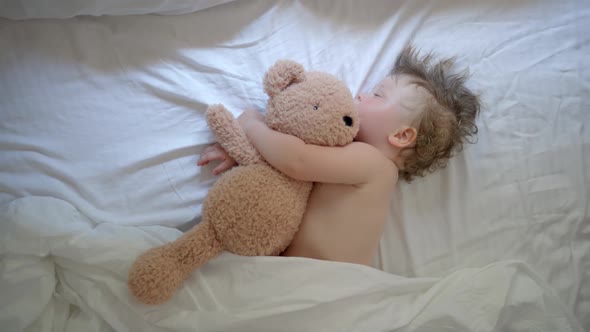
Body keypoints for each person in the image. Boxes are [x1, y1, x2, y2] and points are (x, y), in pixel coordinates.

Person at [197, 45, 480, 266]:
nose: (360, 97)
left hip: (327, 283)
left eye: (378, 96)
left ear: (402, 136)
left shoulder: (375, 165)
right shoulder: (346, 157)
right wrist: (243, 150)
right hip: (295, 274)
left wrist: (251, 125)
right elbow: (284, 161)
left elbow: (296, 161)